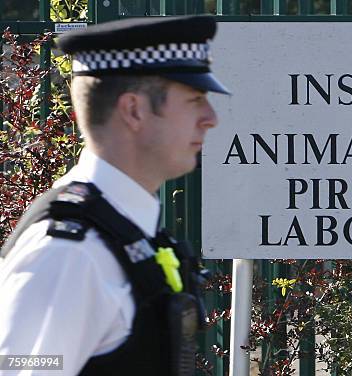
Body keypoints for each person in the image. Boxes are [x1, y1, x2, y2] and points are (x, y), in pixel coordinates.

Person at [0, 15, 229, 375]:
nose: (211, 117)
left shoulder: (123, 234)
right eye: (195, 99)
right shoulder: (69, 256)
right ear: (134, 110)